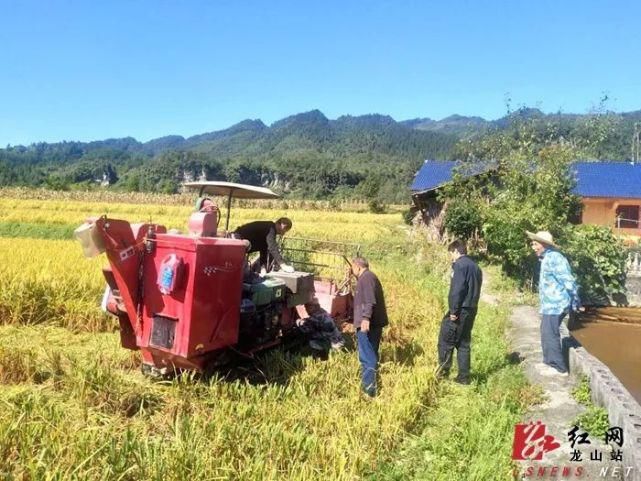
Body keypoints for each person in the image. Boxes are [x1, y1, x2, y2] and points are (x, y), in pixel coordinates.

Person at [527, 230, 581, 375]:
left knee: (550, 333)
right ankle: (548, 362)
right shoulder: (546, 258)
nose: (533, 247)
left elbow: (568, 280)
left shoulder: (555, 258)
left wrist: (575, 301)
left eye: (535, 244)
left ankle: (559, 368)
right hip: (549, 304)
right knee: (546, 331)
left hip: (556, 304)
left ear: (544, 244)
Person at [437, 239, 483, 385]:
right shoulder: (476, 267)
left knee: (446, 340)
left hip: (460, 309)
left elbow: (457, 290)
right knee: (463, 342)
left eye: (451, 253)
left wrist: (453, 310)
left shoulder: (459, 265)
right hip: (472, 308)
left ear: (456, 251)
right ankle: (464, 377)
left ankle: (443, 373)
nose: (451, 257)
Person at [352, 257, 388, 397]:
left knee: (367, 356)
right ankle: (371, 384)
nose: (351, 270)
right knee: (371, 352)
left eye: (352, 268)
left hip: (367, 324)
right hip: (374, 324)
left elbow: (369, 300)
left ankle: (369, 389)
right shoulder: (370, 277)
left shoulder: (366, 279)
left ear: (358, 267)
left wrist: (365, 318)